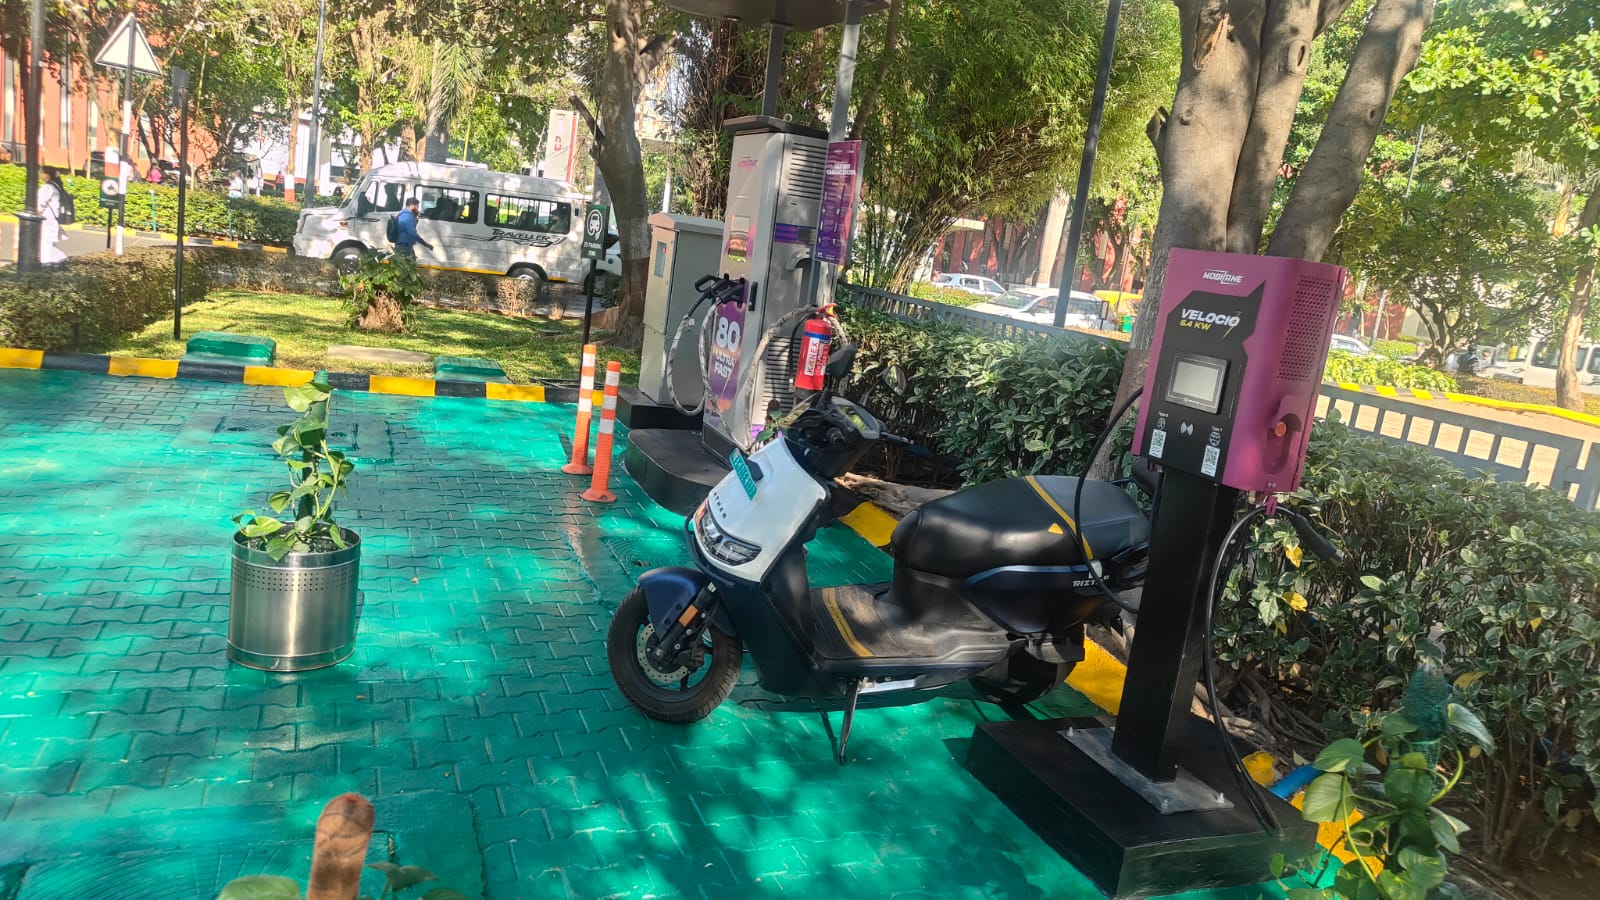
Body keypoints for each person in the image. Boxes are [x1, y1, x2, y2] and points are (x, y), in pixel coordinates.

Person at [37, 169, 68, 265]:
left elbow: (40, 206)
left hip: (46, 221)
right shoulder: (56, 187)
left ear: (48, 175)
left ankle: (50, 265)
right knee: (50, 245)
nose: (40, 174)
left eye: (42, 172)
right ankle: (61, 262)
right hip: (53, 221)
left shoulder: (47, 188)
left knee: (45, 246)